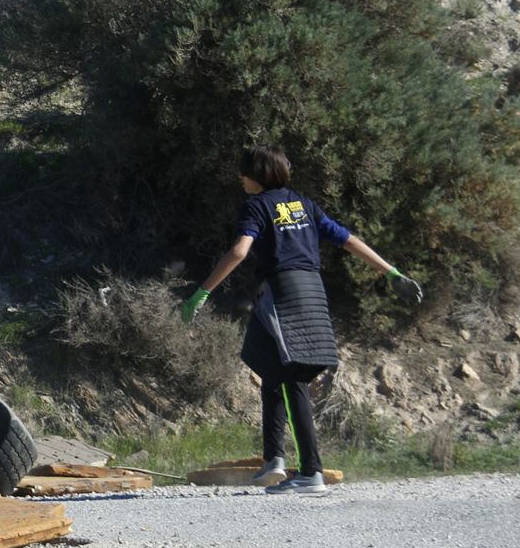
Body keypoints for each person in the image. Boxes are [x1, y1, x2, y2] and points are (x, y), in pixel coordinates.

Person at [181, 145, 423, 495]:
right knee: (270, 368)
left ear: (258, 175)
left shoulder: (256, 206)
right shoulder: (303, 204)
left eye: (245, 172)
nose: (240, 177)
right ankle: (273, 462)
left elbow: (239, 251)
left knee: (293, 376)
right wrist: (392, 272)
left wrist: (202, 292)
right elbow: (347, 239)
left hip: (282, 294)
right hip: (311, 290)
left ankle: (311, 473)